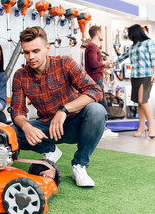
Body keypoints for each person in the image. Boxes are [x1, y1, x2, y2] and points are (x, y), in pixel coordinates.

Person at [10, 26, 106, 187]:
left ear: (47, 48)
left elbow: (95, 90)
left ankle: (80, 165)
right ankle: (50, 150)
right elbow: (17, 110)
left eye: (36, 51)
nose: (31, 57)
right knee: (12, 131)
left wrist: (64, 110)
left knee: (97, 111)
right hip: (47, 128)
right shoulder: (20, 76)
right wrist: (26, 127)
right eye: (26, 52)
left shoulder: (65, 63)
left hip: (73, 124)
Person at [113, 24, 155, 138]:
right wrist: (109, 64)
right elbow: (122, 57)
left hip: (146, 75)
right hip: (135, 76)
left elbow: (154, 58)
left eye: (129, 34)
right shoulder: (133, 46)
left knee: (143, 101)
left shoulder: (149, 43)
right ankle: (142, 126)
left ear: (135, 33)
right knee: (139, 102)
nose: (128, 36)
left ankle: (152, 128)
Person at [84, 25, 118, 138]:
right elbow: (93, 64)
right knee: (101, 104)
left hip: (95, 78)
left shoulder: (92, 47)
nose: (103, 35)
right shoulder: (93, 47)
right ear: (98, 33)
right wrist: (104, 63)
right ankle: (102, 130)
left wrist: (105, 66)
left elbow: (95, 65)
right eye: (102, 32)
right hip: (95, 80)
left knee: (97, 104)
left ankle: (100, 129)